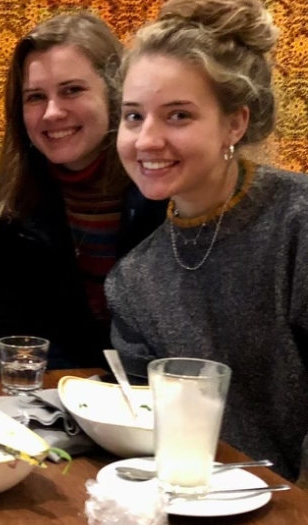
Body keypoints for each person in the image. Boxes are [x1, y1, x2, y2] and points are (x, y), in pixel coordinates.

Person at [105, 0, 308, 480]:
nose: (146, 140)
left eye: (177, 116)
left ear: (234, 123)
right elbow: (142, 429)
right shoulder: (134, 280)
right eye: (134, 116)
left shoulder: (296, 223)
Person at [0, 12, 166, 368]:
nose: (52, 112)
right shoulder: (17, 204)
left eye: (72, 90)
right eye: (35, 97)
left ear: (115, 93)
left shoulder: (164, 190)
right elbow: (28, 334)